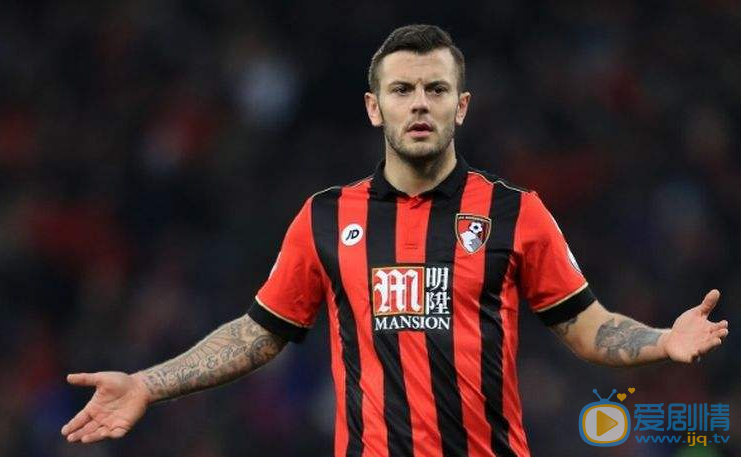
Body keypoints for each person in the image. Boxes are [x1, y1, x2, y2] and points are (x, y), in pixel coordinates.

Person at [61, 24, 729, 457]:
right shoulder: (325, 218)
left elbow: (587, 327)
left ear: (460, 106)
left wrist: (661, 341)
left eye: (436, 89)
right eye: (402, 89)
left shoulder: (515, 213)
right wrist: (148, 383)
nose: (419, 103)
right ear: (373, 106)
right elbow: (257, 334)